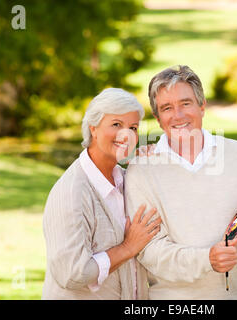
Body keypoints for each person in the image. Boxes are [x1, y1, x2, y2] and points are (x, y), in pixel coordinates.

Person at [125, 65, 237, 299]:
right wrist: (207, 259)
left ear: (202, 106)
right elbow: (149, 250)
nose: (178, 115)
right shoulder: (141, 171)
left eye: (186, 103)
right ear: (157, 118)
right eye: (167, 108)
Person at [42, 88, 161, 300]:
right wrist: (127, 247)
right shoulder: (72, 193)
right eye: (116, 124)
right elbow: (71, 273)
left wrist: (149, 168)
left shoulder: (128, 180)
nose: (126, 135)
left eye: (133, 127)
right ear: (93, 128)